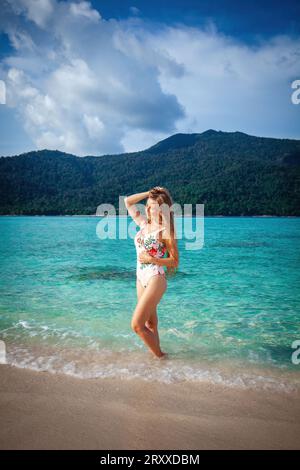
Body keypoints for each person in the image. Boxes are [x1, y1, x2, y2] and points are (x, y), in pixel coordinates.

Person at [124, 187, 179, 359]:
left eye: (152, 205)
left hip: (156, 276)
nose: (147, 208)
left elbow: (175, 260)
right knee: (150, 322)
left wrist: (152, 259)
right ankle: (159, 363)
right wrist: (149, 194)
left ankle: (161, 357)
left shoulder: (165, 231)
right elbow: (128, 201)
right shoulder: (144, 224)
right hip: (140, 277)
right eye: (147, 205)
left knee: (137, 325)